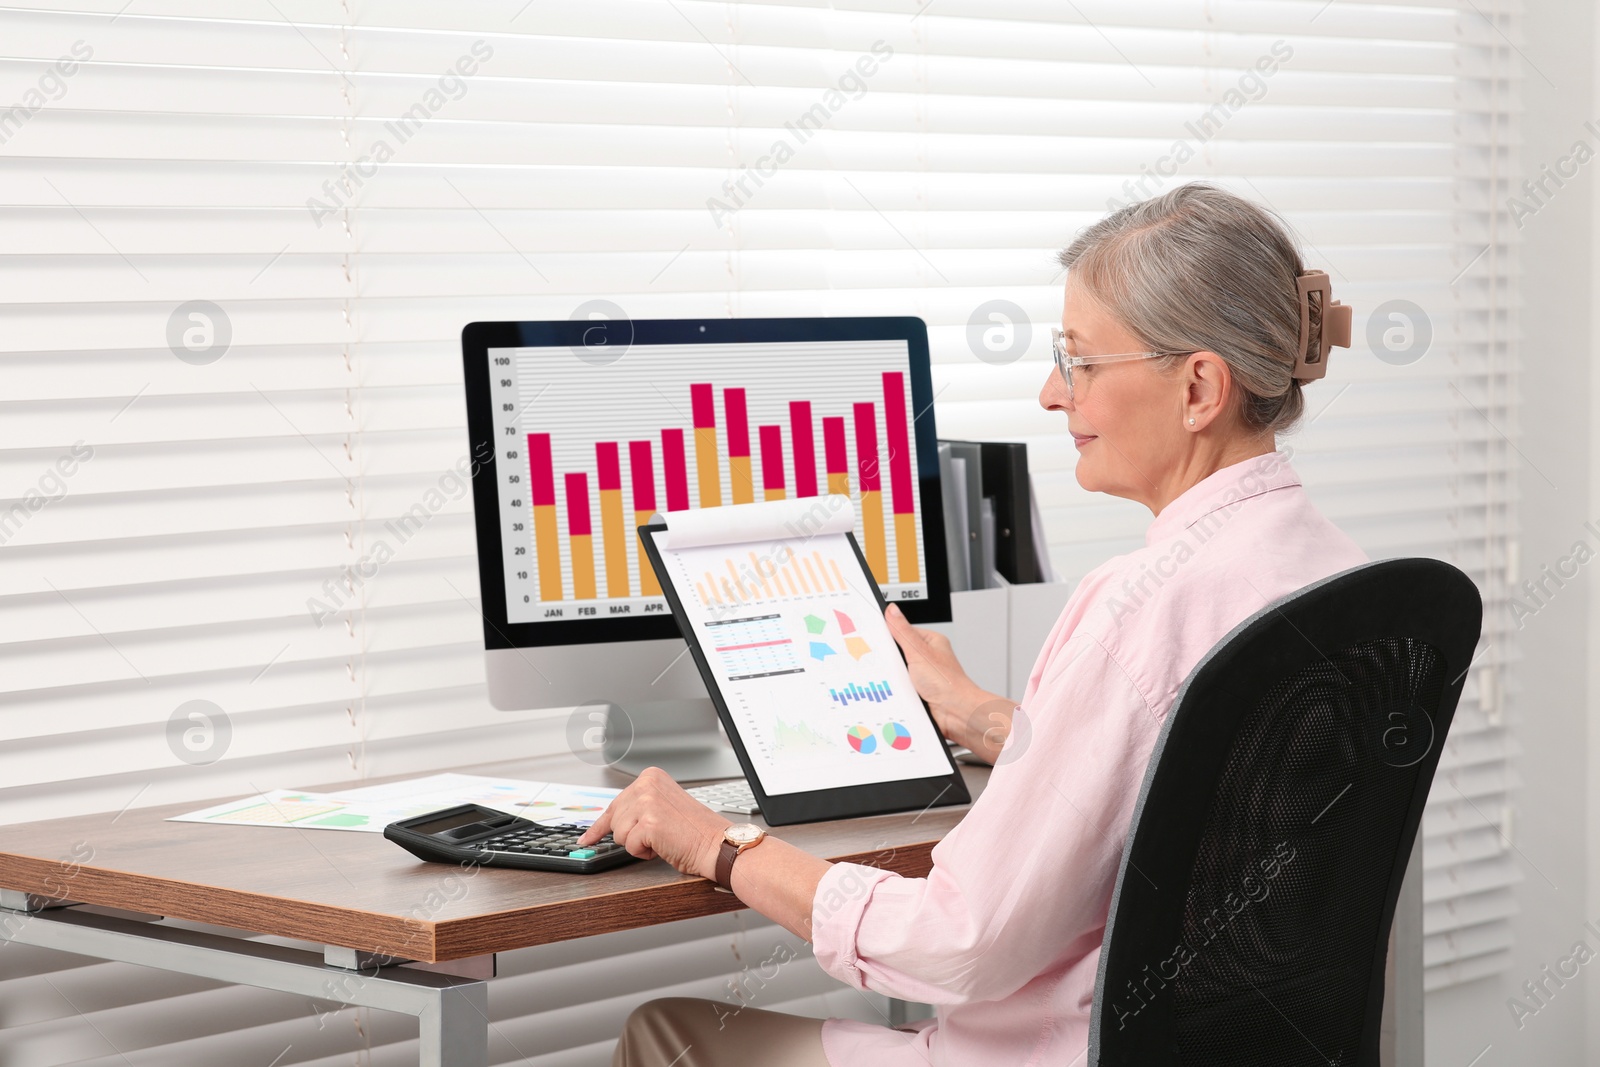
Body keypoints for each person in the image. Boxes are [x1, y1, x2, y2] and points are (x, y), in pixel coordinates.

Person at [583, 181, 1368, 1067]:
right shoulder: (1341, 576)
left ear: (1198, 387)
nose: (1049, 392)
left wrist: (716, 842)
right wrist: (991, 720)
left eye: (1079, 362)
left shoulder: (1143, 604)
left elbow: (961, 939)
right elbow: (1190, 782)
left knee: (664, 1033)